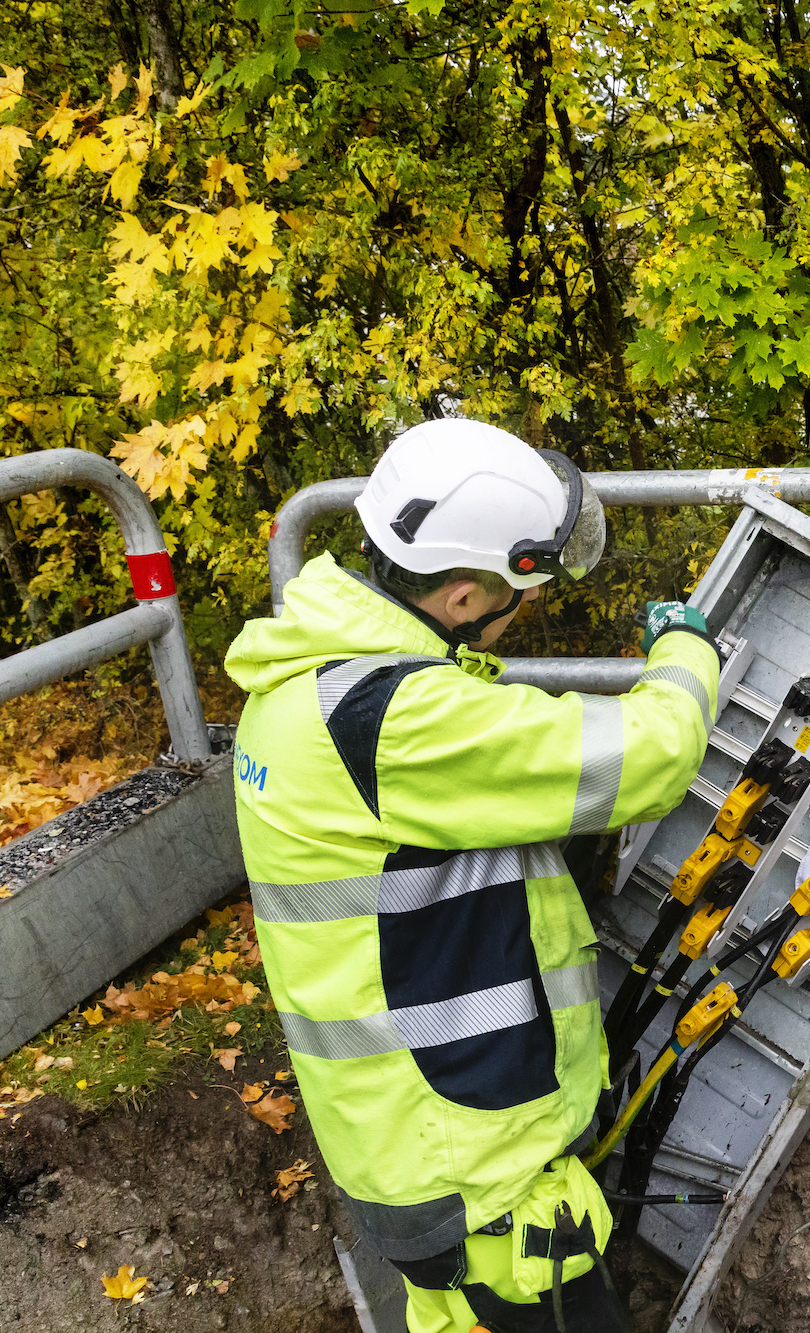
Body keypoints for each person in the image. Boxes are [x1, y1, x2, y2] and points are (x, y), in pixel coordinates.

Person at [224, 418, 720, 1332]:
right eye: (509, 593)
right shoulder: (399, 720)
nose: (514, 612)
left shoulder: (299, 686)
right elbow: (651, 752)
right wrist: (687, 650)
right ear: (458, 595)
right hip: (480, 1166)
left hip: (401, 1140)